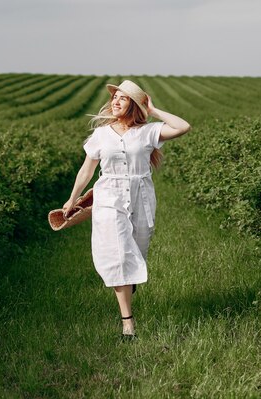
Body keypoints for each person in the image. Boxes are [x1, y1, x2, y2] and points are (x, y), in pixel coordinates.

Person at [62, 80, 190, 338]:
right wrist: (72, 199)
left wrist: (153, 110)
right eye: (114, 97)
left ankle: (128, 286)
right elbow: (87, 170)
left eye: (123, 98)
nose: (116, 102)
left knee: (137, 249)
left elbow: (183, 127)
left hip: (141, 194)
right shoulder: (101, 134)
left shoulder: (148, 132)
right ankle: (128, 323)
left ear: (134, 105)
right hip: (109, 195)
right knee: (119, 253)